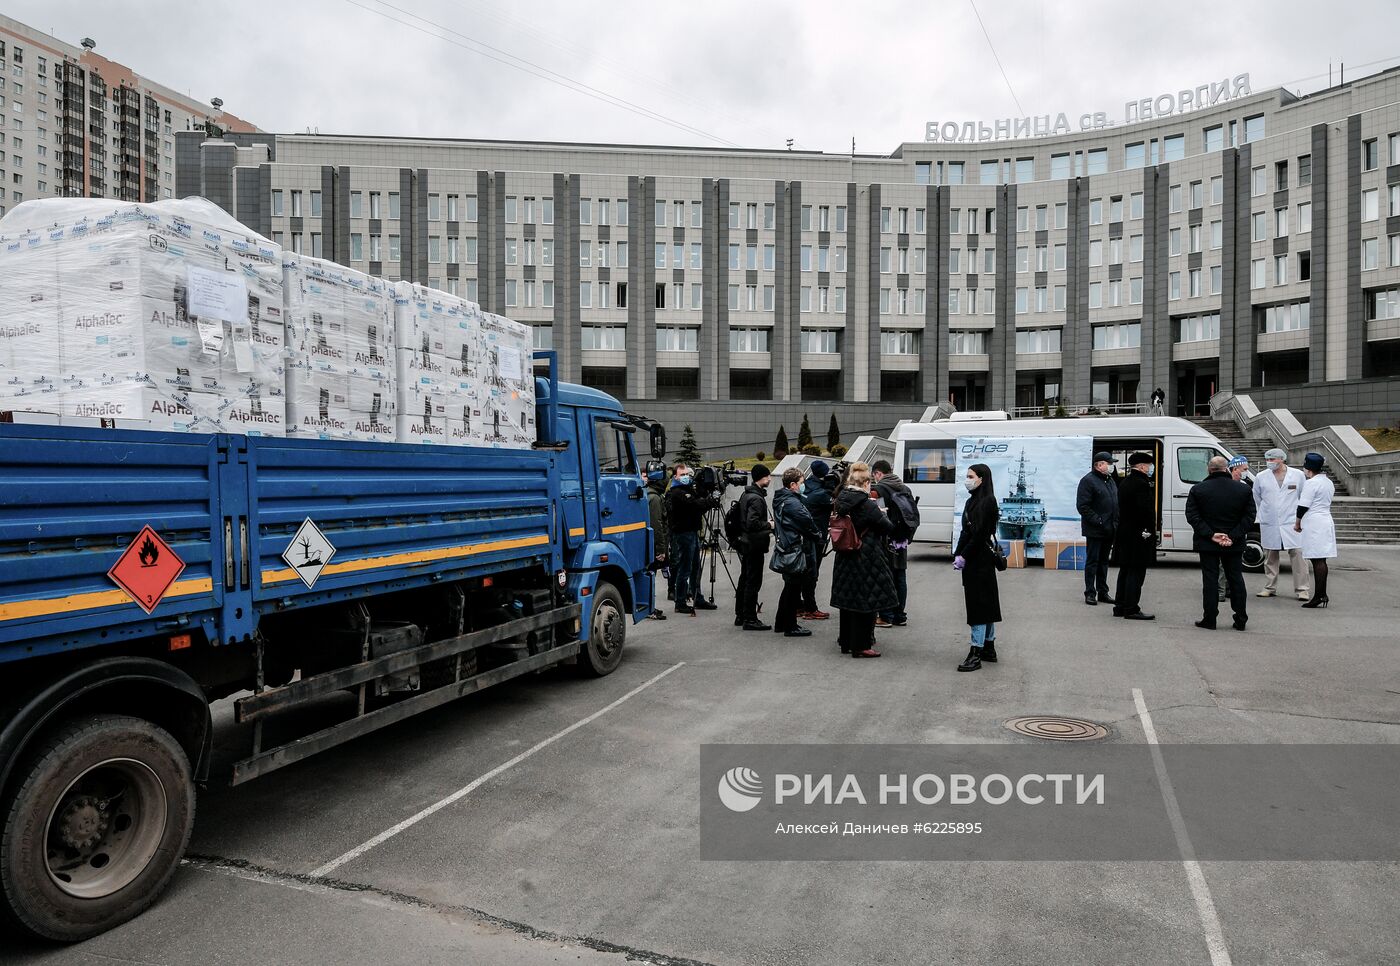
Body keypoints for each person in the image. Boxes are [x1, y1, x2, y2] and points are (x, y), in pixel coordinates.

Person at [829, 462, 896, 659]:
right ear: (866, 483)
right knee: (866, 602)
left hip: (844, 554)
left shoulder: (841, 499)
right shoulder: (867, 504)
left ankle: (846, 641)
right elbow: (887, 527)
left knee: (848, 600)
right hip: (865, 555)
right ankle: (861, 645)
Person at [1185, 455, 1256, 631]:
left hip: (1208, 543)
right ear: (1226, 469)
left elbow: (1192, 516)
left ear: (1209, 470)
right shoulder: (1243, 490)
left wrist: (1211, 535)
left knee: (1210, 580)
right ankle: (1240, 619)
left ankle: (1209, 619)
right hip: (1234, 542)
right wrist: (1233, 535)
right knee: (1236, 579)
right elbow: (1249, 517)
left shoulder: (1198, 489)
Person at [953, 462, 1002, 672]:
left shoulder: (988, 501)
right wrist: (958, 553)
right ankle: (989, 648)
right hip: (974, 560)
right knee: (986, 604)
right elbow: (966, 531)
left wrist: (964, 554)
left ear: (982, 478)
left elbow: (980, 534)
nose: (968, 479)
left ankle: (976, 652)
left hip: (980, 560)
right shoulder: (972, 501)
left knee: (979, 607)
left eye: (971, 476)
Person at [1254, 448, 1311, 601]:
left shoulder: (1297, 475)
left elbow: (1303, 496)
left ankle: (1302, 589)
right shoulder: (1261, 476)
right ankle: (1270, 587)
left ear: (1282, 459)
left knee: (1298, 555)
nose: (1269, 462)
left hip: (1292, 521)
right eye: (1268, 460)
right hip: (1270, 521)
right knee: (1271, 556)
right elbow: (1257, 498)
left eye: (1272, 460)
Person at [771, 468, 823, 637]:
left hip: (787, 547)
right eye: (801, 483)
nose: (804, 486)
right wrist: (818, 535)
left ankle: (781, 622)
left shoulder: (782, 499)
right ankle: (790, 625)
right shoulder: (792, 502)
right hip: (794, 548)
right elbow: (806, 521)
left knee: (789, 587)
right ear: (792, 485)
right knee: (793, 588)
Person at [665, 462, 718, 615]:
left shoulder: (688, 489)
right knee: (685, 567)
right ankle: (680, 601)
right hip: (683, 533)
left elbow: (699, 499)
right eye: (682, 475)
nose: (686, 477)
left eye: (687, 474)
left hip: (692, 531)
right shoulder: (677, 493)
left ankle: (697, 597)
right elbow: (695, 505)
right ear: (675, 476)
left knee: (696, 566)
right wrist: (710, 501)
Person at [1111, 452, 1157, 620]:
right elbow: (1144, 511)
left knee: (1125, 570)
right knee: (1136, 572)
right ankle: (1131, 608)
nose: (1151, 468)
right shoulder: (1141, 484)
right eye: (1149, 465)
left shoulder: (1126, 482)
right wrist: (1149, 532)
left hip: (1125, 532)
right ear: (1142, 466)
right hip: (1138, 534)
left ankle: (1120, 605)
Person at [871, 459, 914, 627]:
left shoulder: (879, 490)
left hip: (885, 539)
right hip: (901, 539)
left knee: (885, 576)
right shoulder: (905, 488)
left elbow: (879, 516)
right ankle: (899, 615)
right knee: (900, 576)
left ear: (878, 473)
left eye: (874, 475)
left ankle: (886, 615)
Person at [1076, 451, 1120, 606]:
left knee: (1103, 562)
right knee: (1093, 561)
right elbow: (1083, 506)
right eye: (1109, 463)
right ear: (1099, 465)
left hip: (1109, 528)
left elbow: (1114, 503)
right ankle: (1090, 592)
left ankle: (1103, 592)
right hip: (1095, 529)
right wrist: (1099, 521)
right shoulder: (1088, 481)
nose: (1112, 466)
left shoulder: (1110, 480)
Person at [735, 465, 775, 631]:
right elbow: (753, 523)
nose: (770, 479)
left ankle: (741, 614)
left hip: (746, 542)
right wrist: (769, 524)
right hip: (754, 544)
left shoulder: (747, 494)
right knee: (753, 581)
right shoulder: (757, 499)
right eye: (768, 476)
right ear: (763, 477)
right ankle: (750, 618)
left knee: (745, 578)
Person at [1295, 452, 1337, 609]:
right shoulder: (1328, 482)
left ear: (1308, 468)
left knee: (1317, 560)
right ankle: (1322, 593)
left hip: (1314, 523)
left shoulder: (1311, 483)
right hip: (1325, 520)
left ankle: (1319, 595)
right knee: (1322, 559)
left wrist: (1297, 523)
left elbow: (1302, 506)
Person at [797, 460, 835, 620]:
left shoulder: (805, 486)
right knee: (812, 573)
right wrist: (832, 486)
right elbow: (833, 503)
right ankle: (810, 608)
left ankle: (799, 606)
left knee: (802, 573)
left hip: (803, 534)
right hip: (816, 536)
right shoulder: (822, 493)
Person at [1217, 456, 1253, 601]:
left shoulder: (1245, 485)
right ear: (1235, 469)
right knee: (1220, 564)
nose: (1246, 472)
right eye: (1244, 469)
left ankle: (1230, 589)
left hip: (1237, 531)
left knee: (1234, 565)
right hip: (1222, 529)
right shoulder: (1223, 484)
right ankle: (1220, 591)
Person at [644, 463, 669, 621]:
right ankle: (649, 608)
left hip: (649, 544)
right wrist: (660, 549)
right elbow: (657, 525)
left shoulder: (651, 494)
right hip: (652, 545)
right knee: (651, 575)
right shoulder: (654, 498)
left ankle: (650, 606)